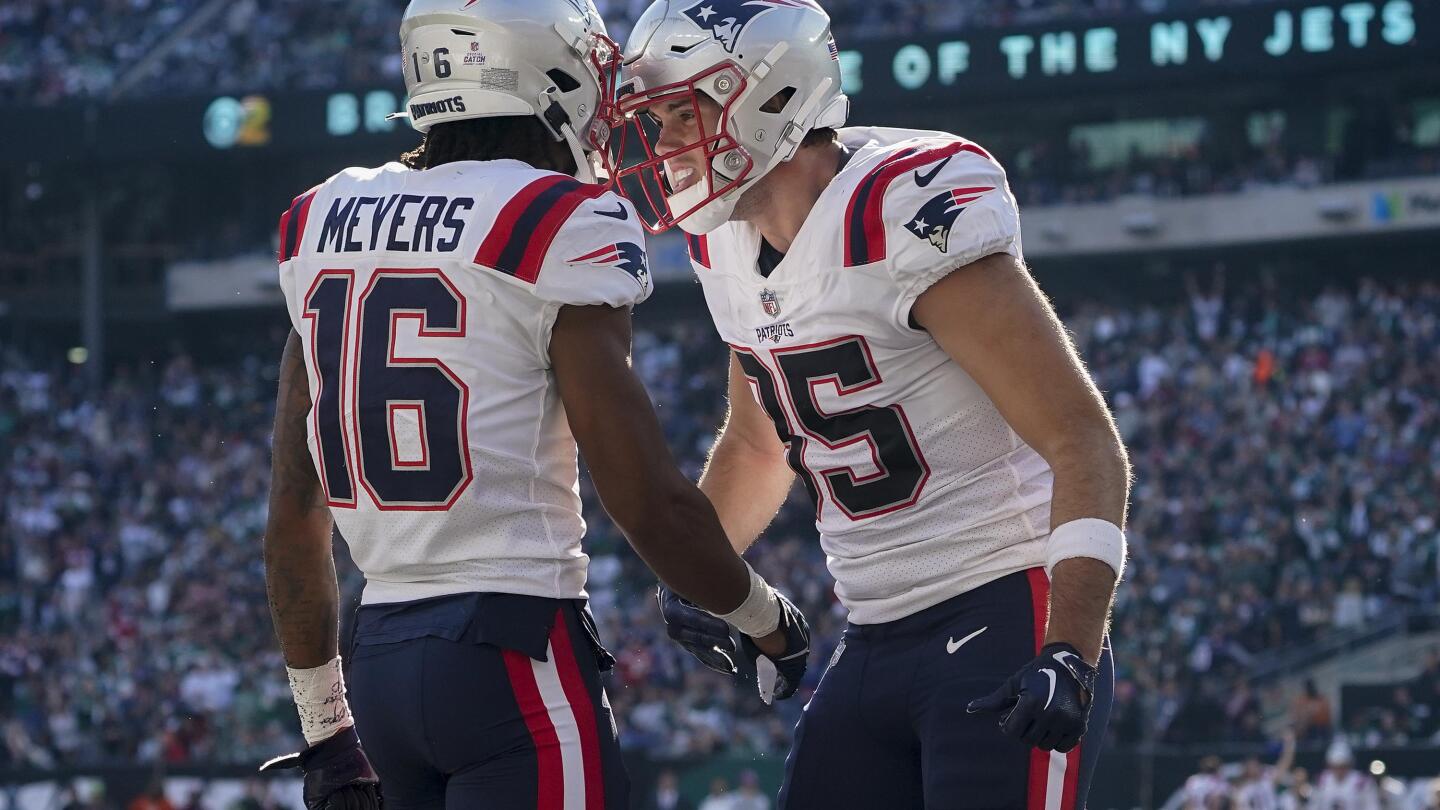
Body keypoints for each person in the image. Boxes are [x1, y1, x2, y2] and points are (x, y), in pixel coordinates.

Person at [258, 0, 811, 808]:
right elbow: (647, 500)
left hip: (378, 662)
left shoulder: (322, 219)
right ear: (545, 69)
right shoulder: (558, 219)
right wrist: (766, 618)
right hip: (511, 655)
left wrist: (325, 731)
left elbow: (293, 510)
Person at [605, 1, 1129, 807]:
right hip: (875, 630)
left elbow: (1084, 443)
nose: (668, 142)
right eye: (662, 117)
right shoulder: (723, 243)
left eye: (685, 114)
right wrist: (699, 572)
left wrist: (1070, 651)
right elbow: (756, 445)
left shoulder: (900, 211)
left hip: (1005, 608)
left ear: (768, 98)